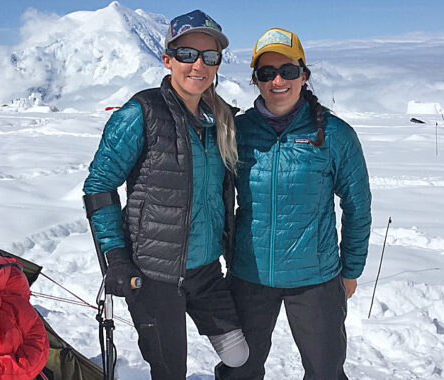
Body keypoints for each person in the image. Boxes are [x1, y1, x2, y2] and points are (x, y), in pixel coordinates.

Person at [83, 10, 249, 380]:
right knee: (170, 369)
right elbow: (99, 187)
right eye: (188, 54)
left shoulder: (219, 119)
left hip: (206, 270)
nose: (199, 65)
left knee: (239, 356)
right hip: (153, 274)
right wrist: (115, 259)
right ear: (168, 59)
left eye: (210, 56)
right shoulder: (142, 112)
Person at [216, 28, 372, 380]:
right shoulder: (236, 132)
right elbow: (215, 198)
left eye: (287, 71)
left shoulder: (334, 134)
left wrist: (351, 269)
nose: (278, 81)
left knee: (324, 371)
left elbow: (358, 205)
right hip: (249, 274)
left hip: (315, 278)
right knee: (238, 368)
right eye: (267, 73)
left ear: (304, 75)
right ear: (255, 80)